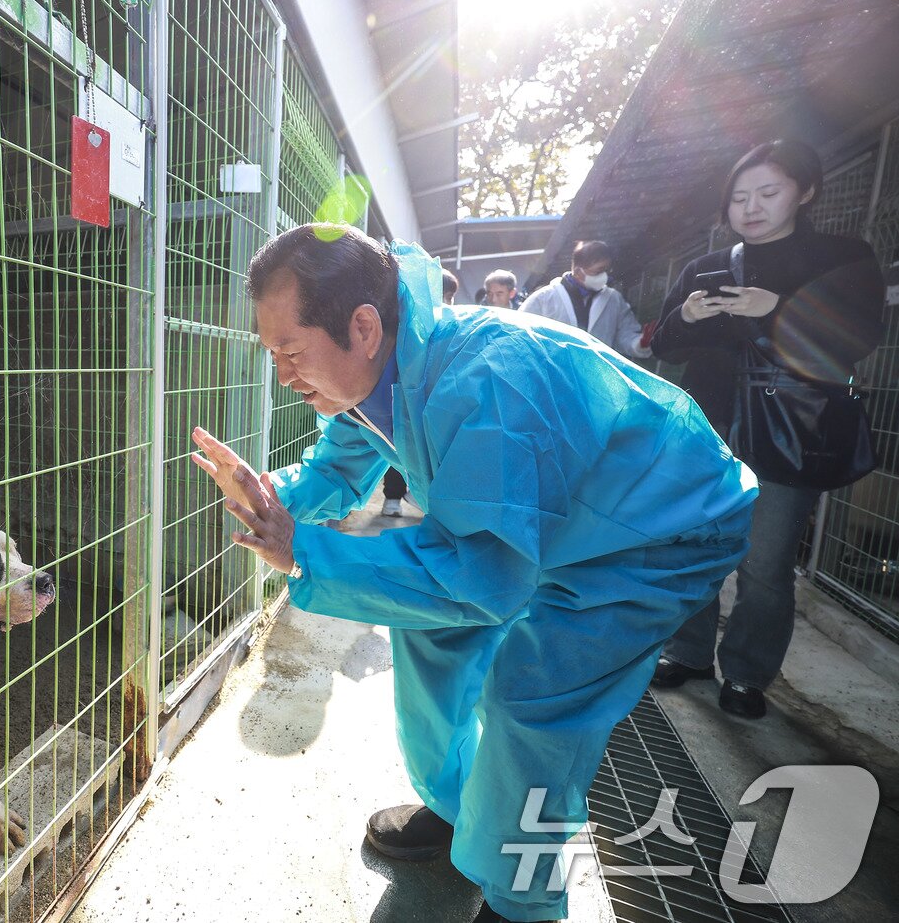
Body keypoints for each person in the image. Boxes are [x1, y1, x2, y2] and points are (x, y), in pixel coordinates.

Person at [190, 223, 755, 923]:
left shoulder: (486, 381)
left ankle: (524, 903)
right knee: (428, 635)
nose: (282, 373)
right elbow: (335, 468)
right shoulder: (385, 371)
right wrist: (271, 498)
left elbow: (484, 580)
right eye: (271, 352)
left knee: (536, 698)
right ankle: (459, 809)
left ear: (362, 326)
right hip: (564, 517)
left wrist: (304, 551)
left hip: (660, 525)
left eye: (291, 351)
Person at [648, 139, 884, 719]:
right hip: (705, 425)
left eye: (768, 193)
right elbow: (664, 345)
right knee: (693, 546)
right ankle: (690, 651)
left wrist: (775, 310)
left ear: (804, 192)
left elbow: (858, 339)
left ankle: (748, 674)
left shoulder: (840, 258)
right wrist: (685, 318)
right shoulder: (705, 266)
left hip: (788, 430)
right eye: (739, 197)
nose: (750, 207)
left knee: (767, 561)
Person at [384, 268, 461, 517]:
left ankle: (419, 497)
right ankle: (394, 497)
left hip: (430, 404)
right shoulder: (411, 325)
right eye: (443, 294)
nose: (447, 302)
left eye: (450, 296)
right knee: (397, 447)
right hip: (403, 400)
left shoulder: (450, 326)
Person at [520, 241, 654, 360]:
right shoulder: (543, 299)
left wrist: (639, 343)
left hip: (598, 376)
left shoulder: (614, 299)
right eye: (598, 271)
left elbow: (625, 335)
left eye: (607, 270)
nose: (605, 276)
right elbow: (521, 336)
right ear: (578, 272)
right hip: (555, 376)